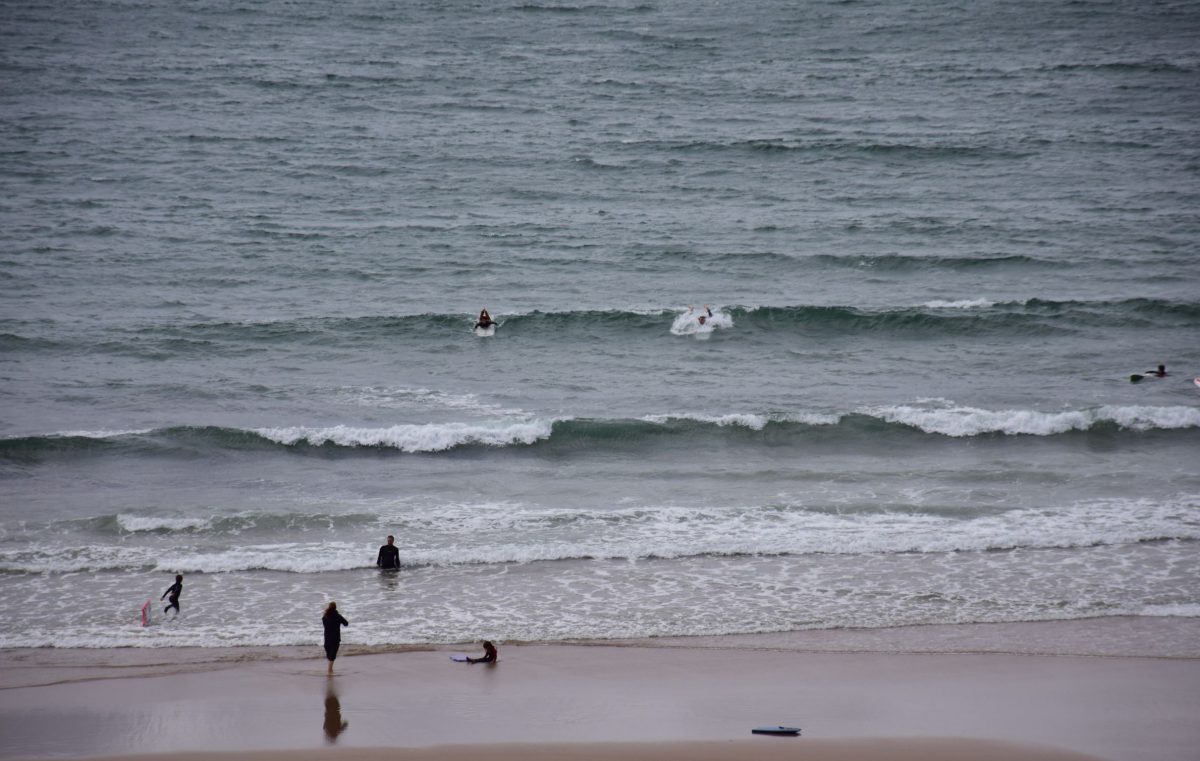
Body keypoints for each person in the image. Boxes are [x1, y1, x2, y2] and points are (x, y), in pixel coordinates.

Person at [322, 602, 349, 675]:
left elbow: (325, 624)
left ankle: (330, 669)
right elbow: (346, 623)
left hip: (327, 638)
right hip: (335, 638)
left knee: (329, 655)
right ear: (335, 608)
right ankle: (329, 670)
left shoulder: (325, 617)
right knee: (332, 655)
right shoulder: (338, 616)